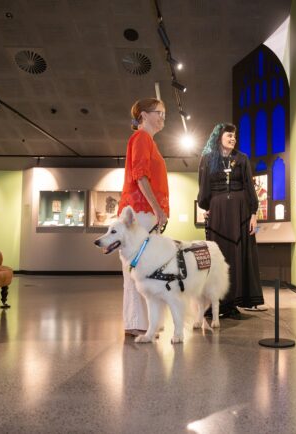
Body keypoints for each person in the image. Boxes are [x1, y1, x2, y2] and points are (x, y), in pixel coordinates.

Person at [197, 123, 264, 318]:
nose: (233, 138)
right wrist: (206, 207)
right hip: (218, 212)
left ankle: (234, 302)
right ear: (219, 137)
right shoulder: (208, 159)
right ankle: (217, 302)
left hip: (240, 212)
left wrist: (253, 214)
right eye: (229, 135)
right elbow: (203, 187)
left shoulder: (242, 159)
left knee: (237, 255)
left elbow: (249, 187)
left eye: (234, 136)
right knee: (218, 257)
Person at [117, 98, 169, 336]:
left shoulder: (149, 141)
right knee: (138, 270)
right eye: (159, 112)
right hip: (140, 213)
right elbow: (140, 175)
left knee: (144, 269)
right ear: (144, 115)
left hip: (144, 214)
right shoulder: (141, 137)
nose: (163, 118)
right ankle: (138, 323)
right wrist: (157, 208)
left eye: (164, 114)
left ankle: (140, 322)